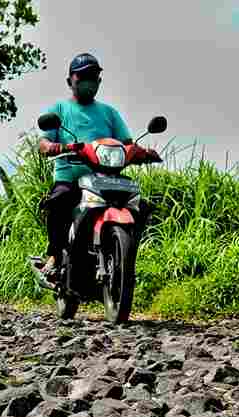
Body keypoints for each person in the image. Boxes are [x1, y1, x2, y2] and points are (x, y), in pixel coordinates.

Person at [36, 52, 157, 280]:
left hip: (105, 178)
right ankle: (54, 254)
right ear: (70, 80)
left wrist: (143, 153)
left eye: (93, 76)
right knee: (58, 201)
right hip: (70, 178)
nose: (88, 81)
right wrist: (55, 147)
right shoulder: (60, 109)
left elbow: (127, 144)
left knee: (141, 205)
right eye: (82, 76)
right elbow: (44, 142)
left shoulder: (109, 112)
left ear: (99, 81)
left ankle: (124, 255)